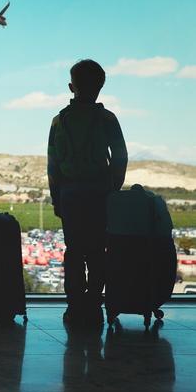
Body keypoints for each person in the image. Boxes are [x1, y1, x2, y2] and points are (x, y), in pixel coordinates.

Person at [47, 59, 128, 326]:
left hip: (69, 194)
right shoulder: (107, 119)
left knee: (74, 251)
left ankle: (73, 307)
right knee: (96, 252)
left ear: (72, 86)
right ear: (101, 87)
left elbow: (53, 164)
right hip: (100, 193)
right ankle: (93, 304)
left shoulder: (59, 121)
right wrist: (113, 188)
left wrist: (56, 196)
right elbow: (120, 156)